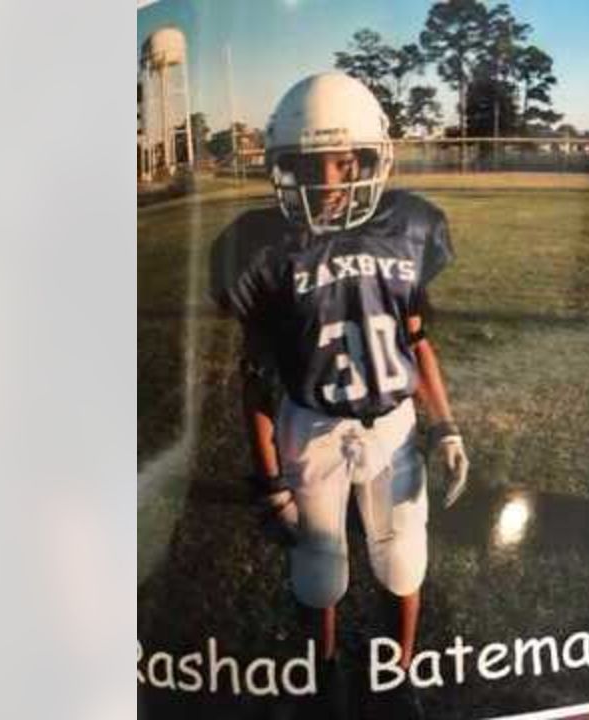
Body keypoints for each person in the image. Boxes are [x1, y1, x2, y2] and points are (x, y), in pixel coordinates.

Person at [210, 71, 469, 718]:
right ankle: (320, 674)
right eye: (303, 165)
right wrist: (268, 478)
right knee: (319, 566)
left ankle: (399, 670)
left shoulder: (407, 228)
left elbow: (417, 340)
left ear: (365, 159)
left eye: (338, 162)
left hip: (393, 424)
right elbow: (257, 376)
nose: (324, 181)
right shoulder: (264, 249)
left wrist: (447, 426)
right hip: (311, 423)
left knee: (403, 555)